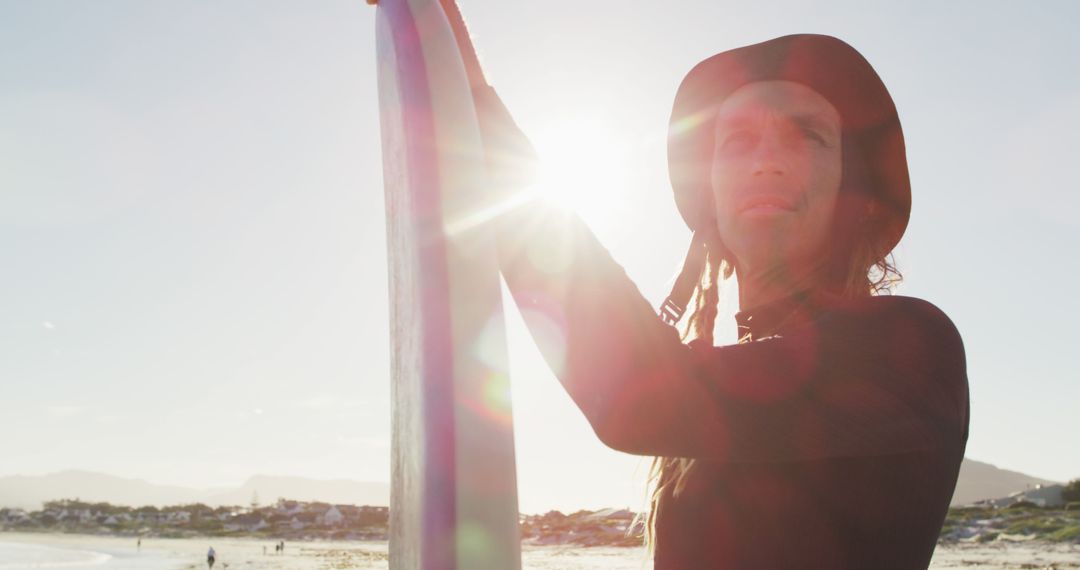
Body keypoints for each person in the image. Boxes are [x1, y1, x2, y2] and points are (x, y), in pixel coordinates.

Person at [476, 34, 969, 569]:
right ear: (710, 193)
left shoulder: (912, 346)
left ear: (858, 195)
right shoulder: (714, 385)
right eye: (736, 141)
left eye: (806, 135)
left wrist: (474, 112)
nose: (765, 161)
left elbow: (632, 396)